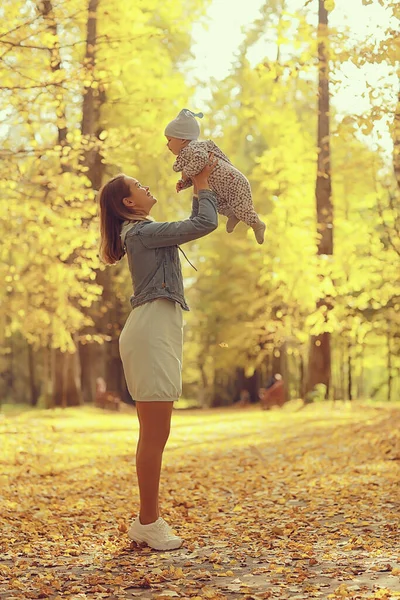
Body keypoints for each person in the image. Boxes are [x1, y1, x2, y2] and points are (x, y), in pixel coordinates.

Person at [97, 159, 218, 551]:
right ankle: (148, 522)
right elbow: (203, 224)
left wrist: (199, 184)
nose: (147, 187)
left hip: (158, 329)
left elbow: (191, 227)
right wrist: (202, 185)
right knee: (154, 434)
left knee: (157, 434)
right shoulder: (143, 233)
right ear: (127, 203)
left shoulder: (144, 233)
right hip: (150, 332)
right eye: (139, 184)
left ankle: (147, 520)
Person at [165, 108, 266, 244]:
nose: (167, 145)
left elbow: (201, 160)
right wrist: (184, 182)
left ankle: (257, 224)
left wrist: (186, 174)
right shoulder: (188, 153)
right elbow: (197, 173)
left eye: (170, 140)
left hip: (232, 181)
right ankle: (232, 215)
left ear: (182, 139)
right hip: (219, 186)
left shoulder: (193, 148)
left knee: (243, 208)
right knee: (216, 203)